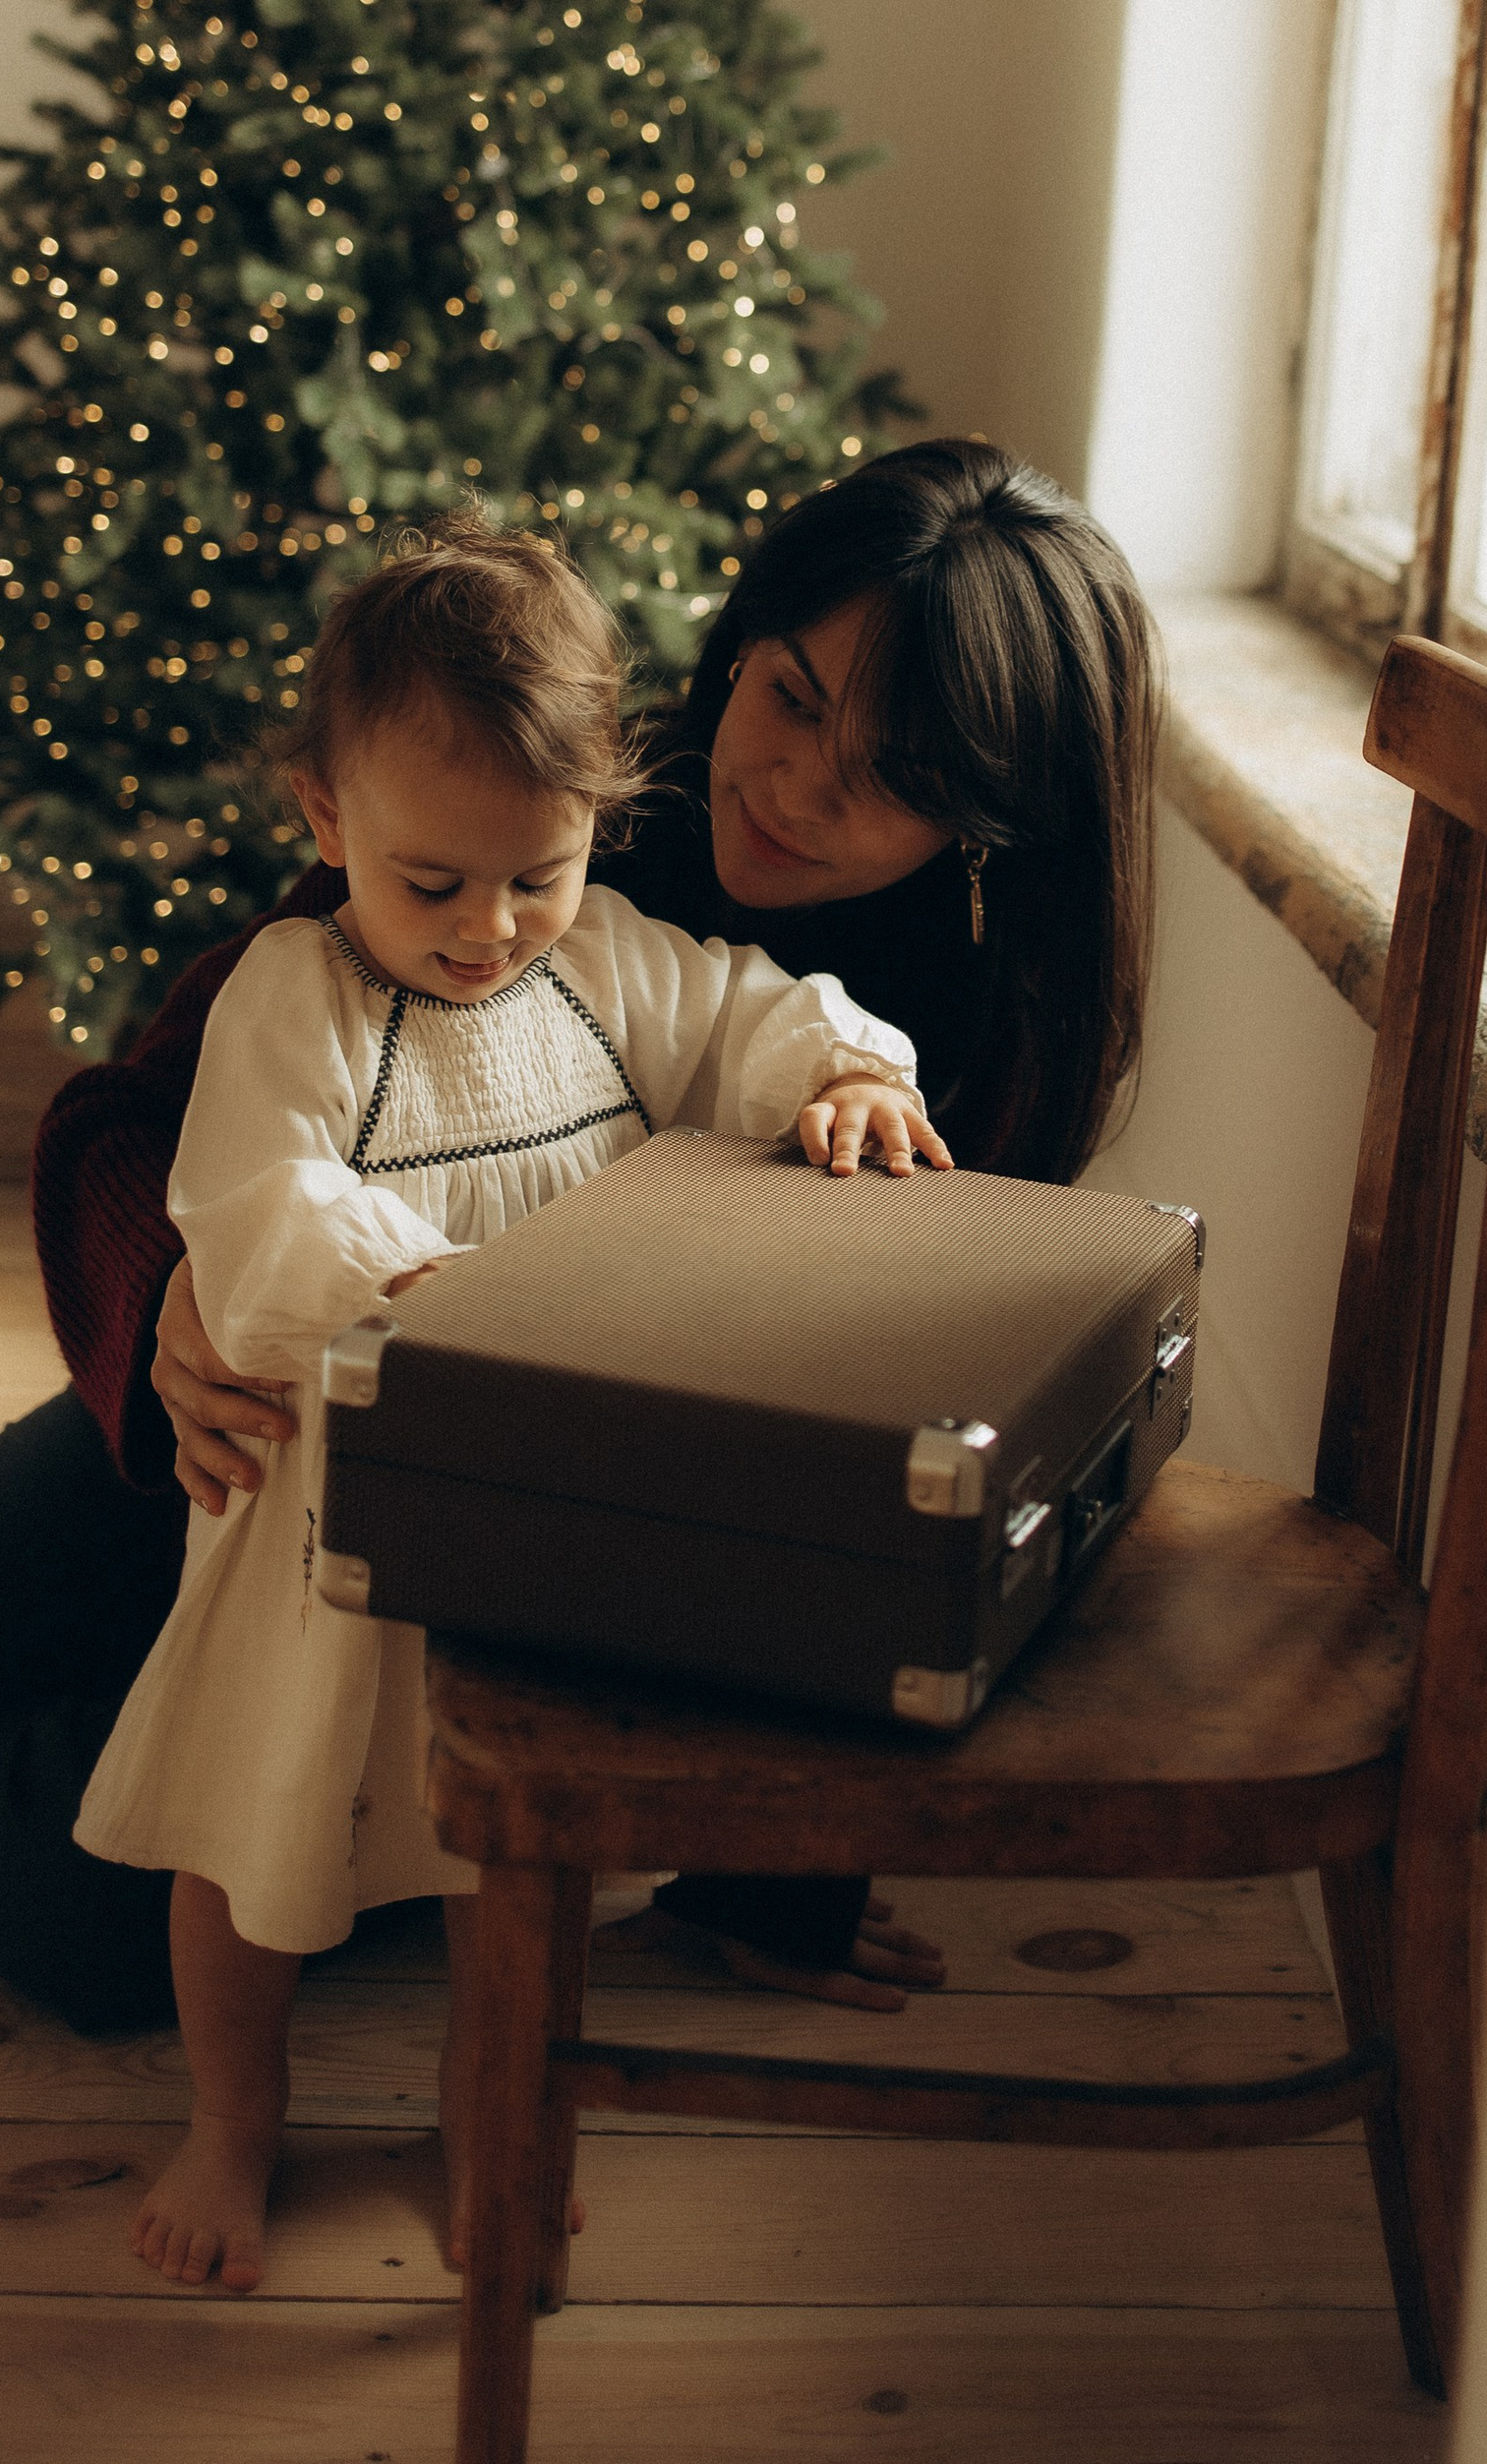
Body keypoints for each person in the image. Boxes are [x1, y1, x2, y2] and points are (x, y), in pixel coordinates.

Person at [0, 442, 1158, 2042]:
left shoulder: (960, 1060)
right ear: (743, 642)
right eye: (794, 695)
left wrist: (765, 1870)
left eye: (890, 772)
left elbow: (881, 1521)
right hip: (232, 1435)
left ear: (986, 819)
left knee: (82, 1917)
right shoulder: (550, 795)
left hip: (512, 1587)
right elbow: (141, 1112)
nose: (797, 781)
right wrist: (165, 1317)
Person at [77, 522, 942, 2292]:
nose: (486, 931)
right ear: (325, 823)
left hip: (543, 1537)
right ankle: (234, 2125)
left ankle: (483, 2126)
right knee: (252, 1861)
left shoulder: (610, 967)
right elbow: (254, 1206)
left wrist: (842, 1069)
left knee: (507, 1890)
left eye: (532, 879)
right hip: (327, 1526)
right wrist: (424, 1287)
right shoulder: (293, 994)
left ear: (595, 832)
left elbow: (755, 1017)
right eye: (433, 883)